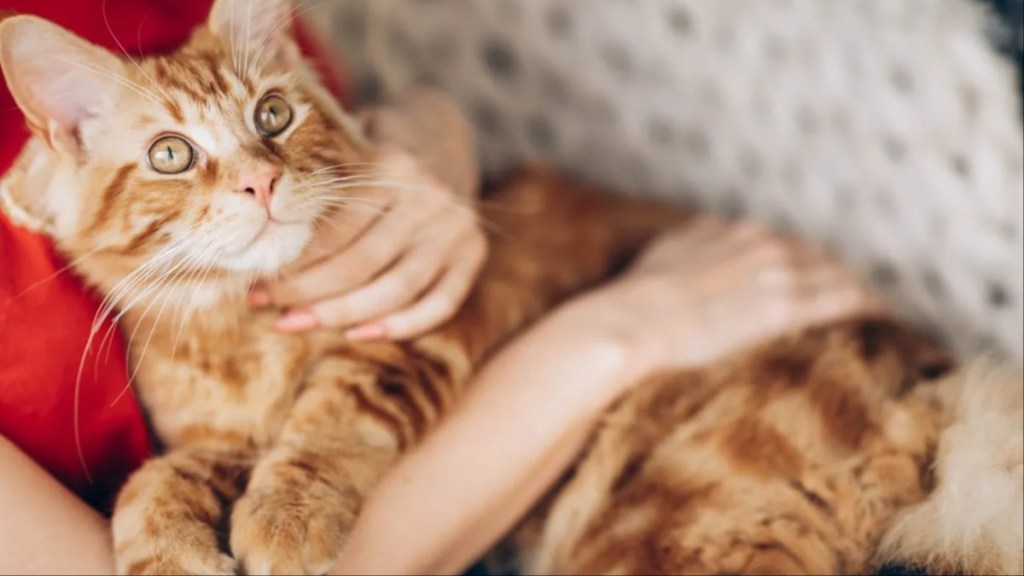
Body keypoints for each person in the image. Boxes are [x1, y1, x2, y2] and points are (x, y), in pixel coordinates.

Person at [0, 1, 879, 573]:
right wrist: (616, 338)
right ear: (69, 137)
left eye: (265, 126)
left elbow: (360, 127)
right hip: (572, 413)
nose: (255, 178)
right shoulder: (163, 331)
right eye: (173, 156)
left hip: (725, 416)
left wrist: (430, 137)